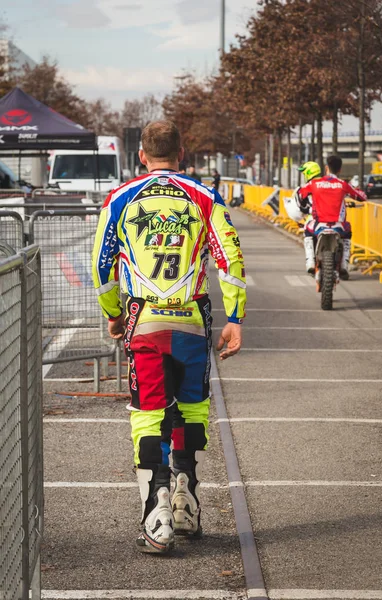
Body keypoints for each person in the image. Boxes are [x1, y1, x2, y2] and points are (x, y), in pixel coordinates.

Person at [92, 120, 246, 554]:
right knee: (193, 409)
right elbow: (229, 257)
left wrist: (113, 313)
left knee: (147, 412)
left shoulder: (120, 198)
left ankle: (155, 510)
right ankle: (185, 496)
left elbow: (102, 265)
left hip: (145, 320)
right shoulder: (206, 196)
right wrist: (235, 316)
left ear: (142, 155)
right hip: (193, 320)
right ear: (183, 151)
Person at [297, 157, 367, 279]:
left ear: (326, 168)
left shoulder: (314, 183)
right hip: (338, 226)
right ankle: (344, 264)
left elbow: (300, 195)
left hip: (318, 225)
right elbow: (362, 197)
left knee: (307, 230)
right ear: (340, 170)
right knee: (347, 233)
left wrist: (304, 205)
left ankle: (310, 262)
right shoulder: (343, 184)